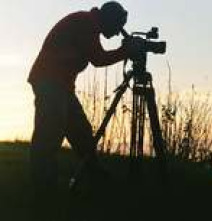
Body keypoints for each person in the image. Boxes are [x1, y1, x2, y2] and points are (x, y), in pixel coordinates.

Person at [28, 1, 135, 219]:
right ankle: (43, 193)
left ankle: (95, 179)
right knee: (48, 136)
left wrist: (125, 50)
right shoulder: (86, 23)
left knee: (82, 132)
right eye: (117, 27)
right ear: (109, 19)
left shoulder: (89, 24)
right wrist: (126, 51)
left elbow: (94, 56)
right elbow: (98, 59)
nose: (116, 33)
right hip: (50, 82)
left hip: (61, 85)